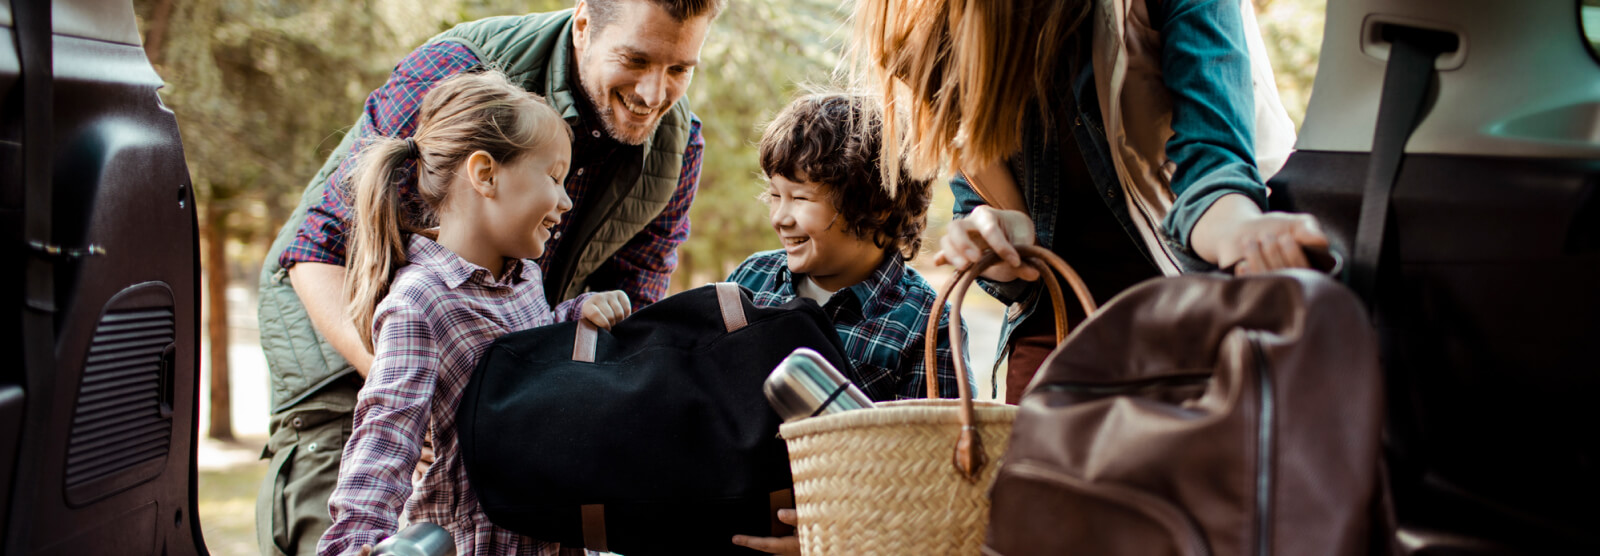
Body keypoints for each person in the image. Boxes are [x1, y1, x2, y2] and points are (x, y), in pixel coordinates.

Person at [254, 1, 722, 553]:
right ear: (583, 24)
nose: (652, 94)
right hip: (352, 366)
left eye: (679, 69)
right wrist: (436, 404)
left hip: (502, 388)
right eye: (635, 59)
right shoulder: (458, 70)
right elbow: (319, 248)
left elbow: (622, 320)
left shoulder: (676, 146)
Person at [849, 0, 1327, 402]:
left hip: (1190, 331)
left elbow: (1213, 168)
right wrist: (993, 242)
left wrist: (1244, 232)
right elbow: (995, 225)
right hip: (1056, 347)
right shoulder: (940, 34)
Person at [316, 70, 631, 556]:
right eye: (553, 177)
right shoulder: (420, 302)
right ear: (485, 174)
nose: (566, 201)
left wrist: (575, 315)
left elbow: (524, 363)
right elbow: (386, 434)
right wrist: (355, 543)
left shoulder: (522, 278)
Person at [725, 92, 969, 404]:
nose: (779, 218)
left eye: (800, 198)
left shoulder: (929, 325)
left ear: (877, 206)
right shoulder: (750, 279)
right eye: (775, 195)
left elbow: (935, 443)